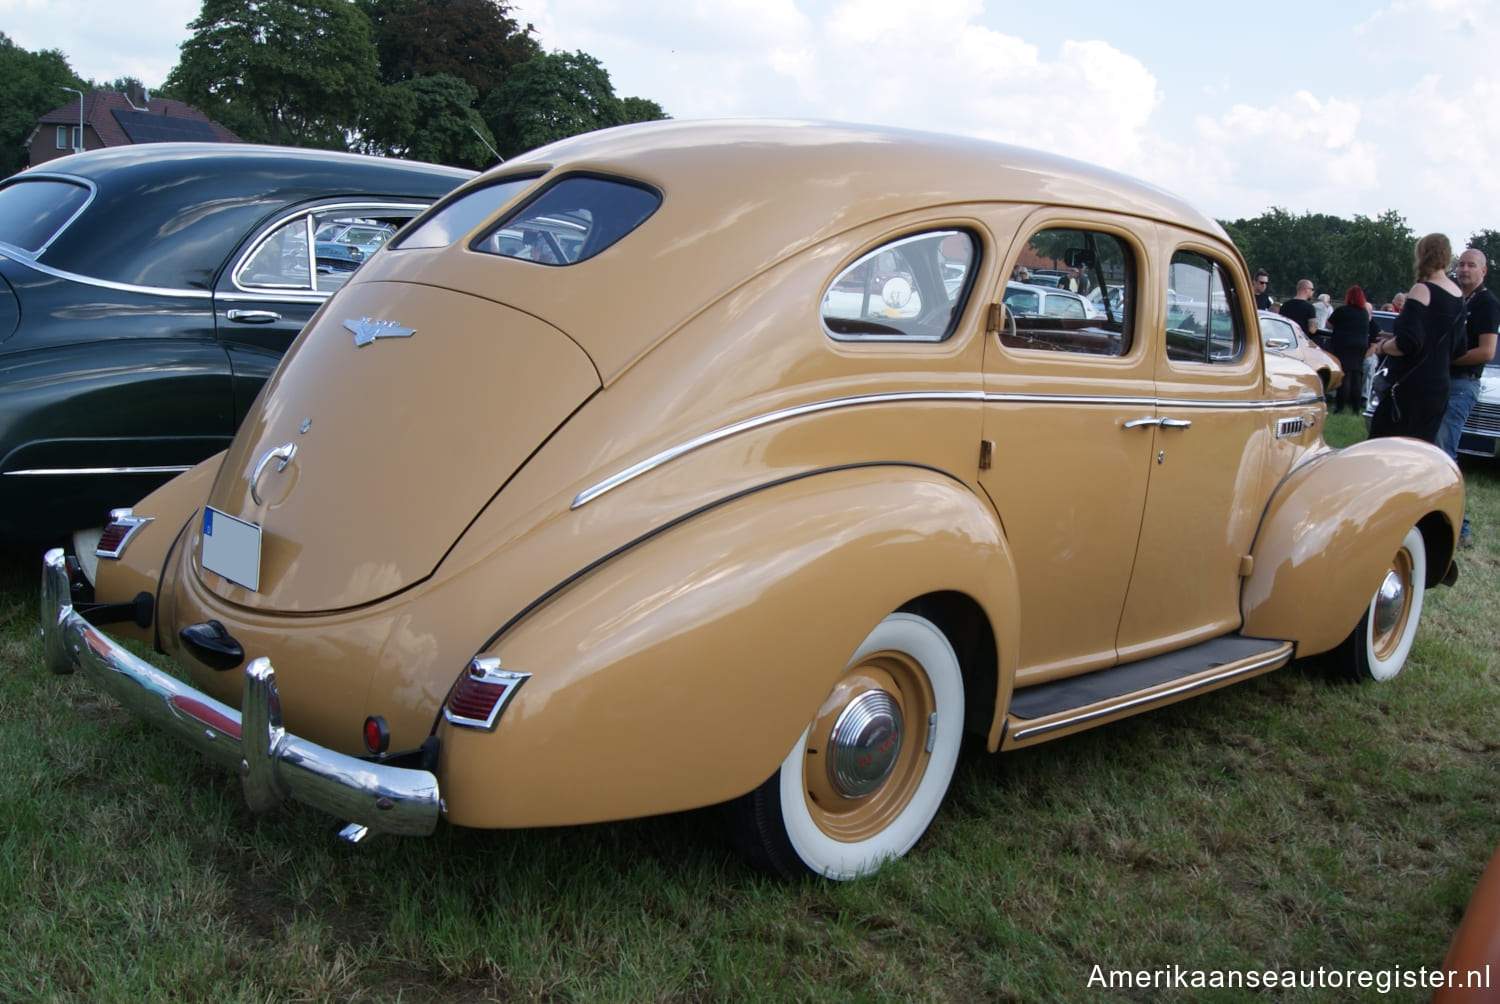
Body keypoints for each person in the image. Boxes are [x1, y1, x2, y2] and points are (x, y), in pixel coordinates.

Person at [1369, 234, 1465, 443]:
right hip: (1439, 386)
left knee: (1384, 446)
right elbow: (1457, 348)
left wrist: (1383, 346)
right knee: (1419, 452)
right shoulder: (1458, 296)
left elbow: (1407, 344)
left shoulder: (1422, 289)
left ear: (1421, 255)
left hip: (1410, 386)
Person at [1437, 247, 1499, 548]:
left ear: (1483, 271)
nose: (1463, 270)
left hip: (1462, 384)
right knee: (1433, 451)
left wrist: (1444, 360)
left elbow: (1486, 351)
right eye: (1460, 265)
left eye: (1471, 265)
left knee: (1444, 453)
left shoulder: (1486, 303)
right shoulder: (1456, 298)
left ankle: (1461, 530)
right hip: (1443, 381)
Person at [1326, 286, 1382, 413]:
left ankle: (1340, 406)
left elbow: (1328, 325)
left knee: (1344, 375)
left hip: (1344, 344)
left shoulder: (1342, 311)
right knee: (1357, 375)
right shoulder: (1364, 313)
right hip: (1360, 346)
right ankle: (1356, 408)